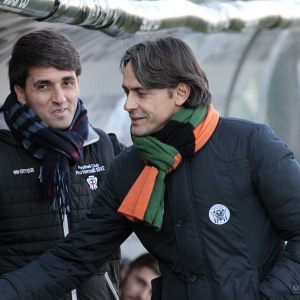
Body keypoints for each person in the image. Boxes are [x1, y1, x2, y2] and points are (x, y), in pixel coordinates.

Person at [0, 35, 300, 300]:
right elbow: (74, 258)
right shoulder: (128, 169)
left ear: (180, 93)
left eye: (141, 93)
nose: (128, 104)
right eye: (127, 91)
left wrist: (272, 295)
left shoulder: (249, 144)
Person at [0, 29, 125, 300]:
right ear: (20, 92)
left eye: (67, 82)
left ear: (78, 82)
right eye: (44, 86)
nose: (60, 98)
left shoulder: (103, 147)